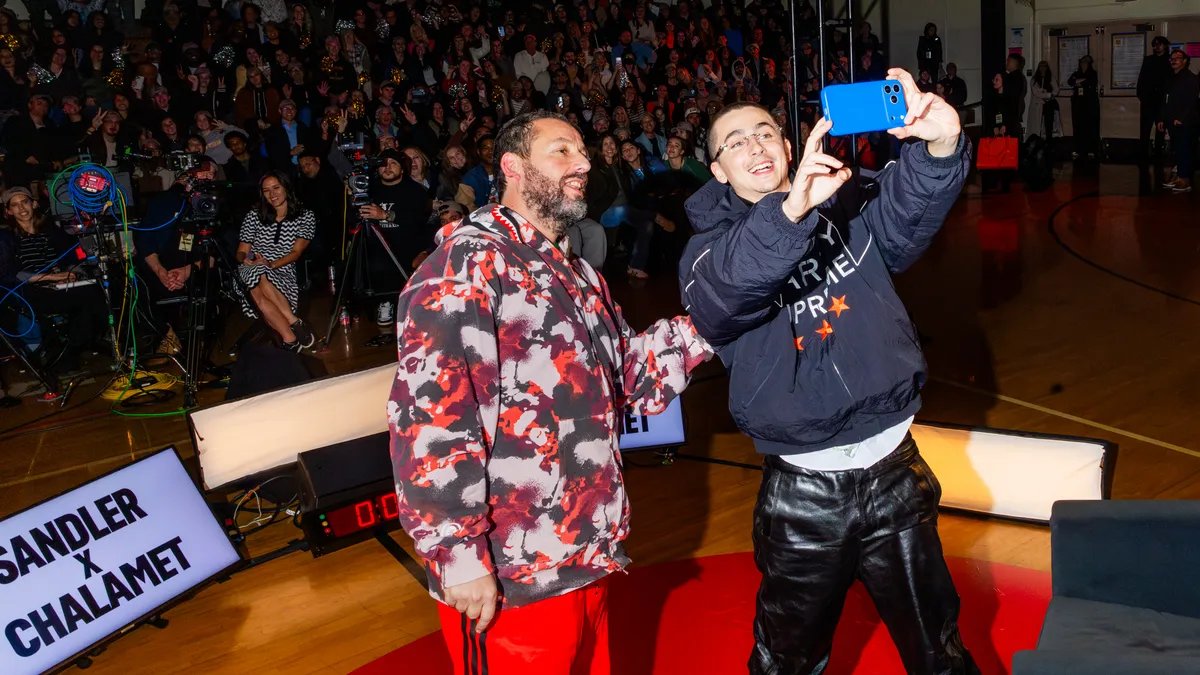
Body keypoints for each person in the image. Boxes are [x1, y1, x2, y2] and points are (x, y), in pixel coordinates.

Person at [389, 109, 712, 674]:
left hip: (585, 550)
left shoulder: (578, 274)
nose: (583, 162)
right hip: (512, 572)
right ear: (512, 167)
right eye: (562, 150)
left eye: (583, 151)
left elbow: (630, 375)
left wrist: (716, 319)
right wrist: (459, 552)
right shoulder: (466, 265)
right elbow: (433, 417)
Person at [678, 70, 977, 675]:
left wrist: (941, 144)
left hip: (896, 470)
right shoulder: (705, 253)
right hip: (804, 495)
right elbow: (729, 293)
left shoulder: (845, 205)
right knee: (789, 659)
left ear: (789, 147)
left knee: (937, 649)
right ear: (717, 171)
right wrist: (791, 212)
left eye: (765, 132)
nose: (755, 146)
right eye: (734, 142)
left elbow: (904, 215)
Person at [1, 187, 106, 376]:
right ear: (8, 211)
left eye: (24, 202)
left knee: (97, 292)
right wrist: (50, 277)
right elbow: (10, 274)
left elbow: (74, 256)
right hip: (30, 291)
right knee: (88, 299)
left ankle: (73, 348)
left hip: (59, 285)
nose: (21, 208)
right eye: (14, 205)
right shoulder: (6, 238)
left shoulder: (51, 231)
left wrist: (72, 272)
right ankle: (72, 350)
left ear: (34, 204)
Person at [234, 171, 316, 351]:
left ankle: (291, 336)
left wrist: (270, 265)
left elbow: (296, 253)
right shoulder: (254, 215)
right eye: (266, 190)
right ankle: (292, 330)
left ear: (286, 188)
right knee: (254, 275)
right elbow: (241, 252)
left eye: (276, 188)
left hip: (282, 269)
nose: (272, 194)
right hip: (252, 267)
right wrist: (247, 260)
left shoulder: (305, 216)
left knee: (259, 277)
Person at [357, 148, 433, 325]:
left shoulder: (416, 191)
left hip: (406, 244)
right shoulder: (369, 190)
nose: (387, 167)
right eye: (383, 164)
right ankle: (383, 302)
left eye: (393, 163)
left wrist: (385, 215)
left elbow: (417, 222)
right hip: (376, 247)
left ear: (402, 169)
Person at [1159, 49, 1198, 194]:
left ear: (1185, 61)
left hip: (1185, 122)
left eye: (1177, 58)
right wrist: (1162, 118)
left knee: (1185, 150)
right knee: (1178, 151)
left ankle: (1185, 181)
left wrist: (1181, 118)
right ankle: (1179, 177)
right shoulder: (1171, 78)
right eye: (1172, 58)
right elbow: (1166, 100)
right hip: (1172, 121)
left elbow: (1191, 102)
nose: (1173, 60)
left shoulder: (1191, 79)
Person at [1137, 36, 1172, 160]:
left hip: (1162, 101)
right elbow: (1141, 79)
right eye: (1155, 44)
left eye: (1159, 44)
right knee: (1145, 129)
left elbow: (1171, 81)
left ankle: (1158, 154)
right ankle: (1143, 155)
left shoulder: (1169, 60)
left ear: (1165, 46)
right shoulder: (1148, 60)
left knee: (1160, 129)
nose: (1157, 46)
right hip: (1148, 100)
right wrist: (1141, 96)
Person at [1068, 55, 1100, 160]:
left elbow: (1091, 82)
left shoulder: (1093, 73)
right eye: (1082, 62)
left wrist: (1079, 81)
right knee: (1078, 126)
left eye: (1086, 62)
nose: (1083, 64)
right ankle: (1078, 149)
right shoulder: (1076, 73)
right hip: (1078, 105)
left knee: (1091, 127)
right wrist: (1081, 81)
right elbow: (1070, 82)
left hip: (1090, 105)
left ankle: (1091, 150)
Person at [1028, 61, 1061, 140]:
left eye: (1044, 66)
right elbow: (1036, 92)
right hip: (1037, 105)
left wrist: (1049, 94)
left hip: (1049, 105)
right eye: (1041, 66)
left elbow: (1056, 90)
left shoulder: (1051, 77)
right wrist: (1048, 94)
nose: (1043, 68)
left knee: (1048, 125)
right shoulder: (1034, 79)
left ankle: (1048, 142)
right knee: (1037, 126)